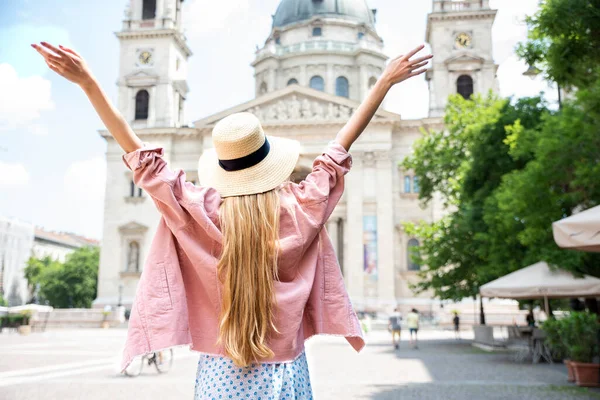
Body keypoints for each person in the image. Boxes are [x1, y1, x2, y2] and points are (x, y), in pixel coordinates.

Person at [32, 41, 431, 399]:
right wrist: (382, 84)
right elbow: (337, 152)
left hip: (220, 374)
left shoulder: (201, 212)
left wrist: (88, 83)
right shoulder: (298, 209)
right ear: (272, 163)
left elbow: (144, 161)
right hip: (286, 374)